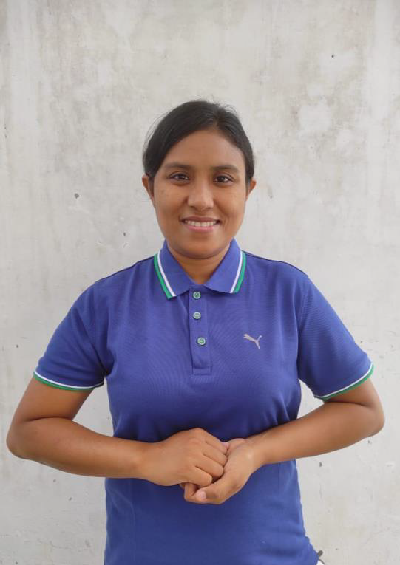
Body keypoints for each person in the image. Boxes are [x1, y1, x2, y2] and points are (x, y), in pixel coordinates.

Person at [7, 99, 384, 565]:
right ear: (150, 187)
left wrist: (257, 452)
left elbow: (363, 410)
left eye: (223, 178)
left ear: (248, 189)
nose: (202, 199)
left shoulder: (288, 293)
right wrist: (148, 459)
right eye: (180, 176)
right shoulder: (105, 304)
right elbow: (29, 432)